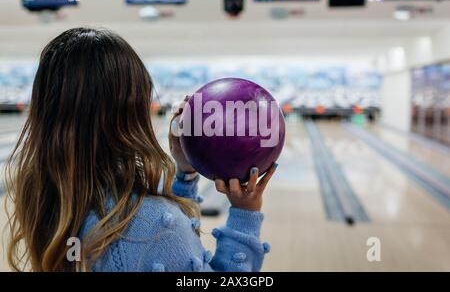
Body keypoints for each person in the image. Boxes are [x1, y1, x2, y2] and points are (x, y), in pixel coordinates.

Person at [5, 28, 277, 272]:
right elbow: (154, 237)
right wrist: (245, 214)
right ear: (128, 113)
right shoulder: (151, 227)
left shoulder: (48, 202)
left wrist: (186, 175)